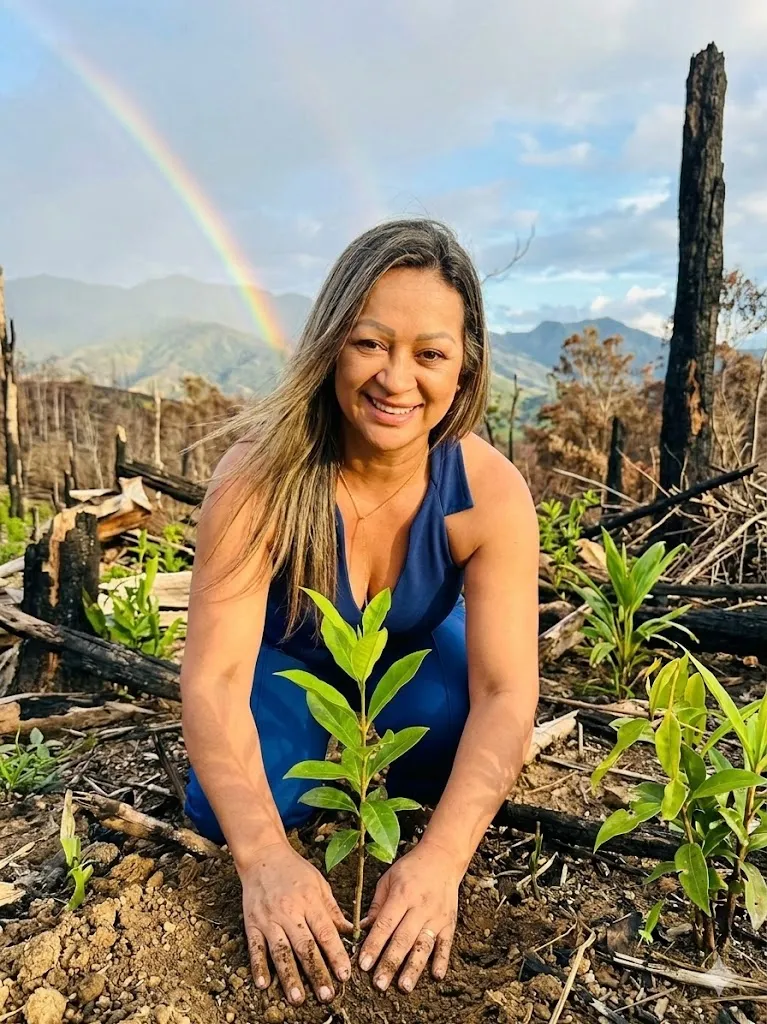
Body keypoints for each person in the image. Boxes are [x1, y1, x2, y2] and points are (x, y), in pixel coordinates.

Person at [180, 218, 539, 1007]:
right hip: (287, 663)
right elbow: (213, 681)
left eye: (429, 353)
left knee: (462, 748)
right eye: (371, 343)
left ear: (464, 365)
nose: (396, 379)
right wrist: (265, 862)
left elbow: (508, 693)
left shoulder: (490, 493)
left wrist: (441, 862)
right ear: (331, 342)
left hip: (409, 655)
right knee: (231, 801)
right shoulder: (257, 480)